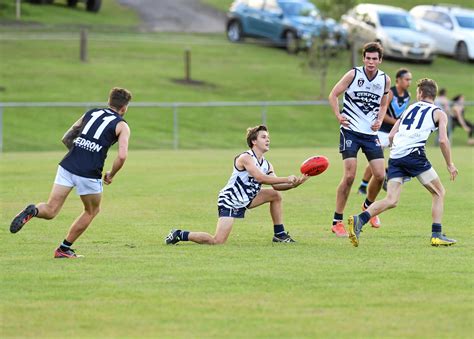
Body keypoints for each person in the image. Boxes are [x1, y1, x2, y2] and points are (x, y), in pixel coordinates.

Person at [9, 87, 132, 258]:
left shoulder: (92, 113)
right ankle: (63, 249)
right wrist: (111, 174)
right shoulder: (122, 125)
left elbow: (66, 137)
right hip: (89, 172)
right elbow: (122, 155)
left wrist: (79, 153)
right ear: (124, 108)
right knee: (92, 211)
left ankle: (33, 211)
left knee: (51, 210)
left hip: (67, 165)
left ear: (109, 102)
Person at [348, 78, 458, 247]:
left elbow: (391, 136)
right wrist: (449, 164)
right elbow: (443, 140)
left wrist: (399, 156)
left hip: (396, 156)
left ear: (420, 93)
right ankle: (436, 235)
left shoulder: (409, 109)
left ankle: (359, 220)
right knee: (438, 192)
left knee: (391, 199)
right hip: (414, 155)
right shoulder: (439, 112)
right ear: (433, 95)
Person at [165, 125, 309, 245]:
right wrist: (287, 178)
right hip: (230, 200)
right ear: (254, 141)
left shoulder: (266, 164)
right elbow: (259, 178)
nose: (268, 140)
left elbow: (277, 186)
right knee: (217, 241)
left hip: (247, 199)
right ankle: (179, 234)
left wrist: (295, 184)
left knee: (275, 195)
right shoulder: (246, 157)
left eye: (268, 137)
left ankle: (280, 234)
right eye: (264, 137)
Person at [328, 42, 391, 237]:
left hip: (370, 134)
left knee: (380, 175)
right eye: (368, 58)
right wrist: (339, 115)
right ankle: (337, 221)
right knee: (349, 176)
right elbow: (333, 95)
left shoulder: (385, 80)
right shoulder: (353, 75)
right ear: (363, 58)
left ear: (380, 60)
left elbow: (383, 102)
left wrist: (380, 119)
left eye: (375, 59)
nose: (371, 62)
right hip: (350, 131)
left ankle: (368, 208)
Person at [357, 68, 412, 195]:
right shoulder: (391, 93)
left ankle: (387, 172)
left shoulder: (408, 96)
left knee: (403, 155)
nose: (409, 82)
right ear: (398, 80)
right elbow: (381, 112)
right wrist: (397, 123)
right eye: (406, 79)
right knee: (376, 160)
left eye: (410, 80)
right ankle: (363, 186)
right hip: (382, 132)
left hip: (395, 133)